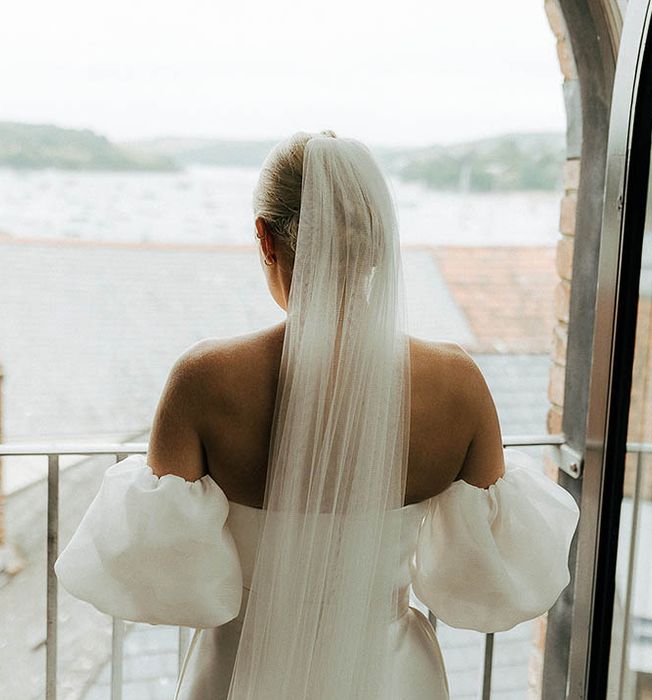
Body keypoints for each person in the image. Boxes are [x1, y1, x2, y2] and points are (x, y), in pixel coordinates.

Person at [55, 130, 580, 699]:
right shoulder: (457, 384)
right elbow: (490, 579)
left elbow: (163, 578)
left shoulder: (204, 379)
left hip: (242, 669)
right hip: (388, 675)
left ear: (265, 237)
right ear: (379, 241)